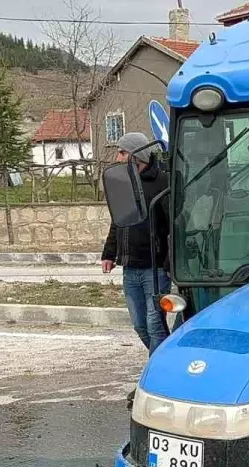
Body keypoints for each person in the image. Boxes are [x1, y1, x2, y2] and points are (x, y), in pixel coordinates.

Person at [101, 132, 172, 354]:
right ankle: (163, 361)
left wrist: (169, 261)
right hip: (130, 268)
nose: (118, 157)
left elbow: (174, 224)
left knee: (155, 324)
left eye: (122, 152)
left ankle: (159, 373)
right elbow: (118, 221)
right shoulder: (123, 183)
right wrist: (109, 253)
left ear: (136, 154)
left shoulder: (162, 183)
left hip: (155, 268)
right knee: (140, 325)